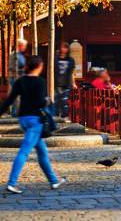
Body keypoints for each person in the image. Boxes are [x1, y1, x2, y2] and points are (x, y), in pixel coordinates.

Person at [2, 57, 62, 194]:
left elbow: (9, 100)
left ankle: (53, 180)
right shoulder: (40, 82)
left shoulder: (20, 81)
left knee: (42, 152)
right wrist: (47, 102)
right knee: (24, 152)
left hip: (24, 119)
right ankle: (12, 183)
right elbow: (41, 102)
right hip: (36, 120)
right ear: (39, 66)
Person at [52, 44, 75, 120]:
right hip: (55, 83)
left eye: (66, 47)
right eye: (63, 47)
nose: (64, 49)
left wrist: (73, 83)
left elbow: (72, 72)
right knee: (56, 100)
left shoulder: (70, 60)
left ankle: (65, 116)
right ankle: (56, 116)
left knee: (65, 101)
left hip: (66, 83)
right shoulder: (55, 59)